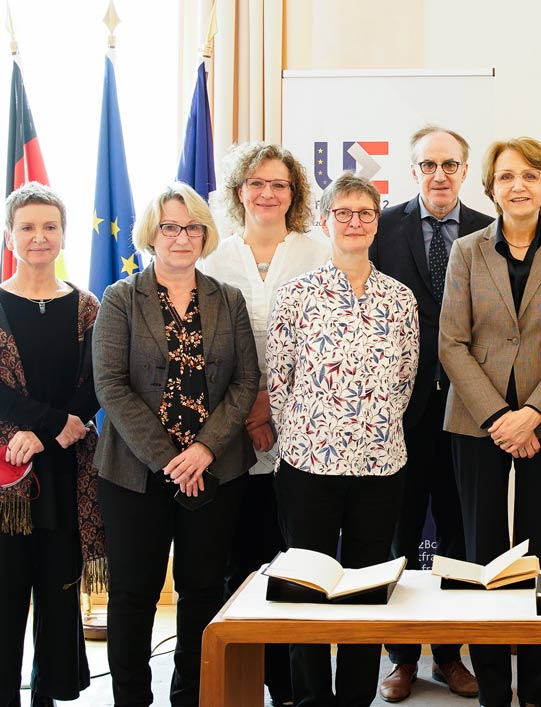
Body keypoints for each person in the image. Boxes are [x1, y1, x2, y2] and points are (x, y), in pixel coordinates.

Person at [438, 137, 541, 707]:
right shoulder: (468, 251)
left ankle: (533, 693)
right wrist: (500, 417)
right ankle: (494, 692)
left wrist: (531, 415)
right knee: (484, 554)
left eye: (530, 175)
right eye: (506, 177)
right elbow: (452, 343)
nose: (518, 185)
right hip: (477, 424)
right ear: (491, 188)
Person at [94, 183, 258, 707]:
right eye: (170, 226)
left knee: (203, 590)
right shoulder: (122, 298)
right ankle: (132, 699)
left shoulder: (227, 299)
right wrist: (170, 460)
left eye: (192, 227)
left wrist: (204, 450)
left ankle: (192, 696)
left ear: (206, 235)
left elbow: (245, 383)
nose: (181, 237)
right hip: (135, 474)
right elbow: (111, 387)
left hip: (214, 469)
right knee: (134, 596)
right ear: (152, 233)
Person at [267, 172, 418, 707]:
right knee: (305, 589)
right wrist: (311, 433)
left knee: (365, 588)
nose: (355, 222)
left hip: (380, 467)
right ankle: (312, 697)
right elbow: (278, 381)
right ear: (324, 220)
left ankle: (356, 696)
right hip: (308, 465)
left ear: (378, 223)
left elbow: (405, 380)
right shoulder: (296, 296)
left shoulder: (400, 299)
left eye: (366, 213)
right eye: (344, 213)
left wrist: (367, 429)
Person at [200, 141, 327, 707]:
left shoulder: (319, 250)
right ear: (239, 192)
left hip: (303, 432)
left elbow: (329, 347)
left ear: (294, 193)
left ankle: (294, 686)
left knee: (297, 563)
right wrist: (251, 407)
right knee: (244, 560)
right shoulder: (214, 258)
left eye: (279, 184)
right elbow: (204, 351)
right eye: (257, 184)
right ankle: (247, 681)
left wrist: (275, 404)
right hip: (231, 433)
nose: (268, 194)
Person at [370, 125, 490, 702]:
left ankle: (450, 653)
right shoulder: (382, 227)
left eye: (450, 164)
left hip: (469, 411)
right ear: (412, 170)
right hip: (400, 411)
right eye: (428, 165)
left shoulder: (486, 233)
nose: (439, 175)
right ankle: (401, 656)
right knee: (400, 533)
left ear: (465, 170)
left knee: (460, 536)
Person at [0, 183, 103, 707]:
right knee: (6, 591)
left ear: (63, 234)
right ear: (9, 235)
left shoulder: (87, 306)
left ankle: (49, 693)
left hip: (67, 469)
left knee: (58, 591)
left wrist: (45, 434)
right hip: (7, 474)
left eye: (49, 226)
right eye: (27, 227)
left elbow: (94, 385)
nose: (39, 237)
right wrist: (38, 430)